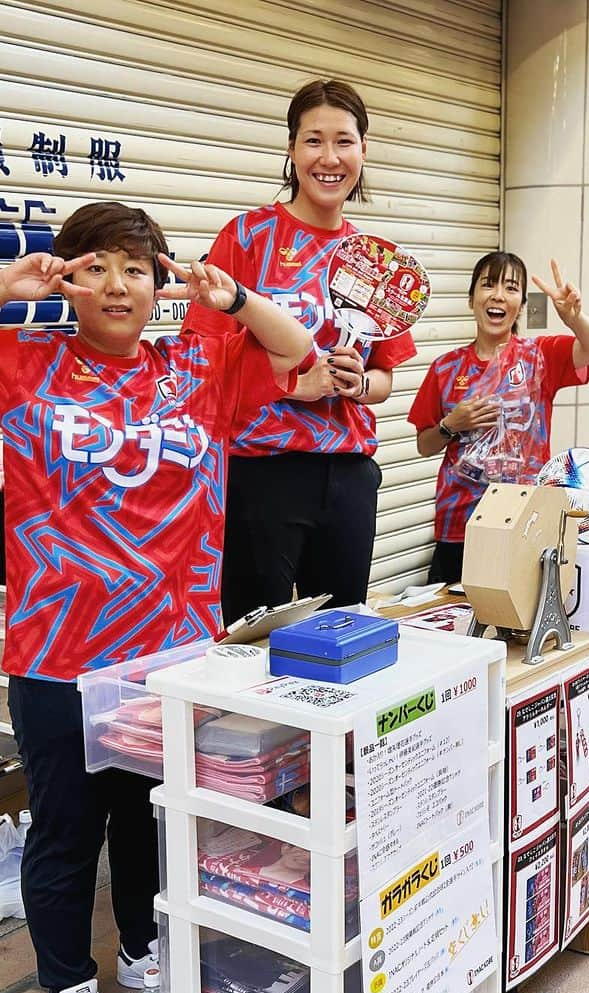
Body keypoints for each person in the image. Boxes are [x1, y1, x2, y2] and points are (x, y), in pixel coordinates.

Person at [0, 201, 311, 993]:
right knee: (67, 828)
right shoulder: (23, 361)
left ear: (160, 284)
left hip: (174, 655)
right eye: (97, 266)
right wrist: (6, 284)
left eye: (137, 268)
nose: (119, 285)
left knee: (148, 821)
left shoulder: (202, 362)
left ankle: (147, 953)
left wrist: (231, 300)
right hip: (58, 655)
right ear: (69, 277)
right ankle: (67, 986)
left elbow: (296, 352)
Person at [182, 79, 416, 624]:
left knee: (340, 636)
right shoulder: (248, 237)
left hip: (349, 474)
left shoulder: (374, 259)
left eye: (344, 141)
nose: (329, 158)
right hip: (262, 474)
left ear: (364, 150)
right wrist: (287, 381)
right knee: (249, 639)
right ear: (291, 150)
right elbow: (201, 363)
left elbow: (384, 379)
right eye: (313, 141)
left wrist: (360, 384)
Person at [408, 251, 589, 584]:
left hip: (524, 519)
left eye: (511, 287)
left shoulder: (540, 356)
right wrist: (451, 425)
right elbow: (424, 445)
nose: (498, 295)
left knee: (514, 627)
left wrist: (573, 318)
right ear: (472, 298)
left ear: (520, 303)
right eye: (488, 285)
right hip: (460, 524)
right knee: (451, 619)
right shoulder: (445, 368)